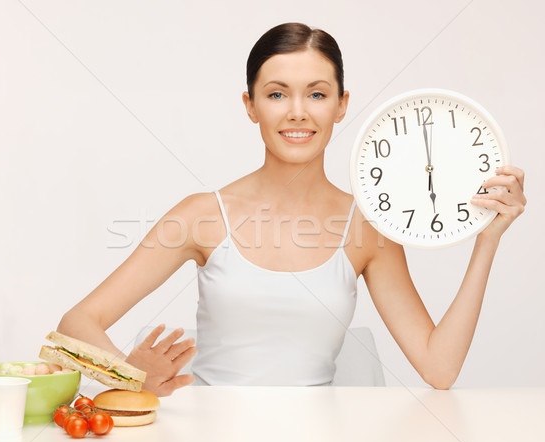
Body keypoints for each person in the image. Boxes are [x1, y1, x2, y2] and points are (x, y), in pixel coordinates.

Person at [56, 22, 527, 396]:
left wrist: (487, 237)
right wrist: (127, 378)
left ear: (341, 106)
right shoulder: (201, 216)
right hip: (208, 439)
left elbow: (439, 368)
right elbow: (77, 323)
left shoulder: (368, 230)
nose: (298, 112)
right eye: (277, 93)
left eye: (317, 94)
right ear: (251, 105)